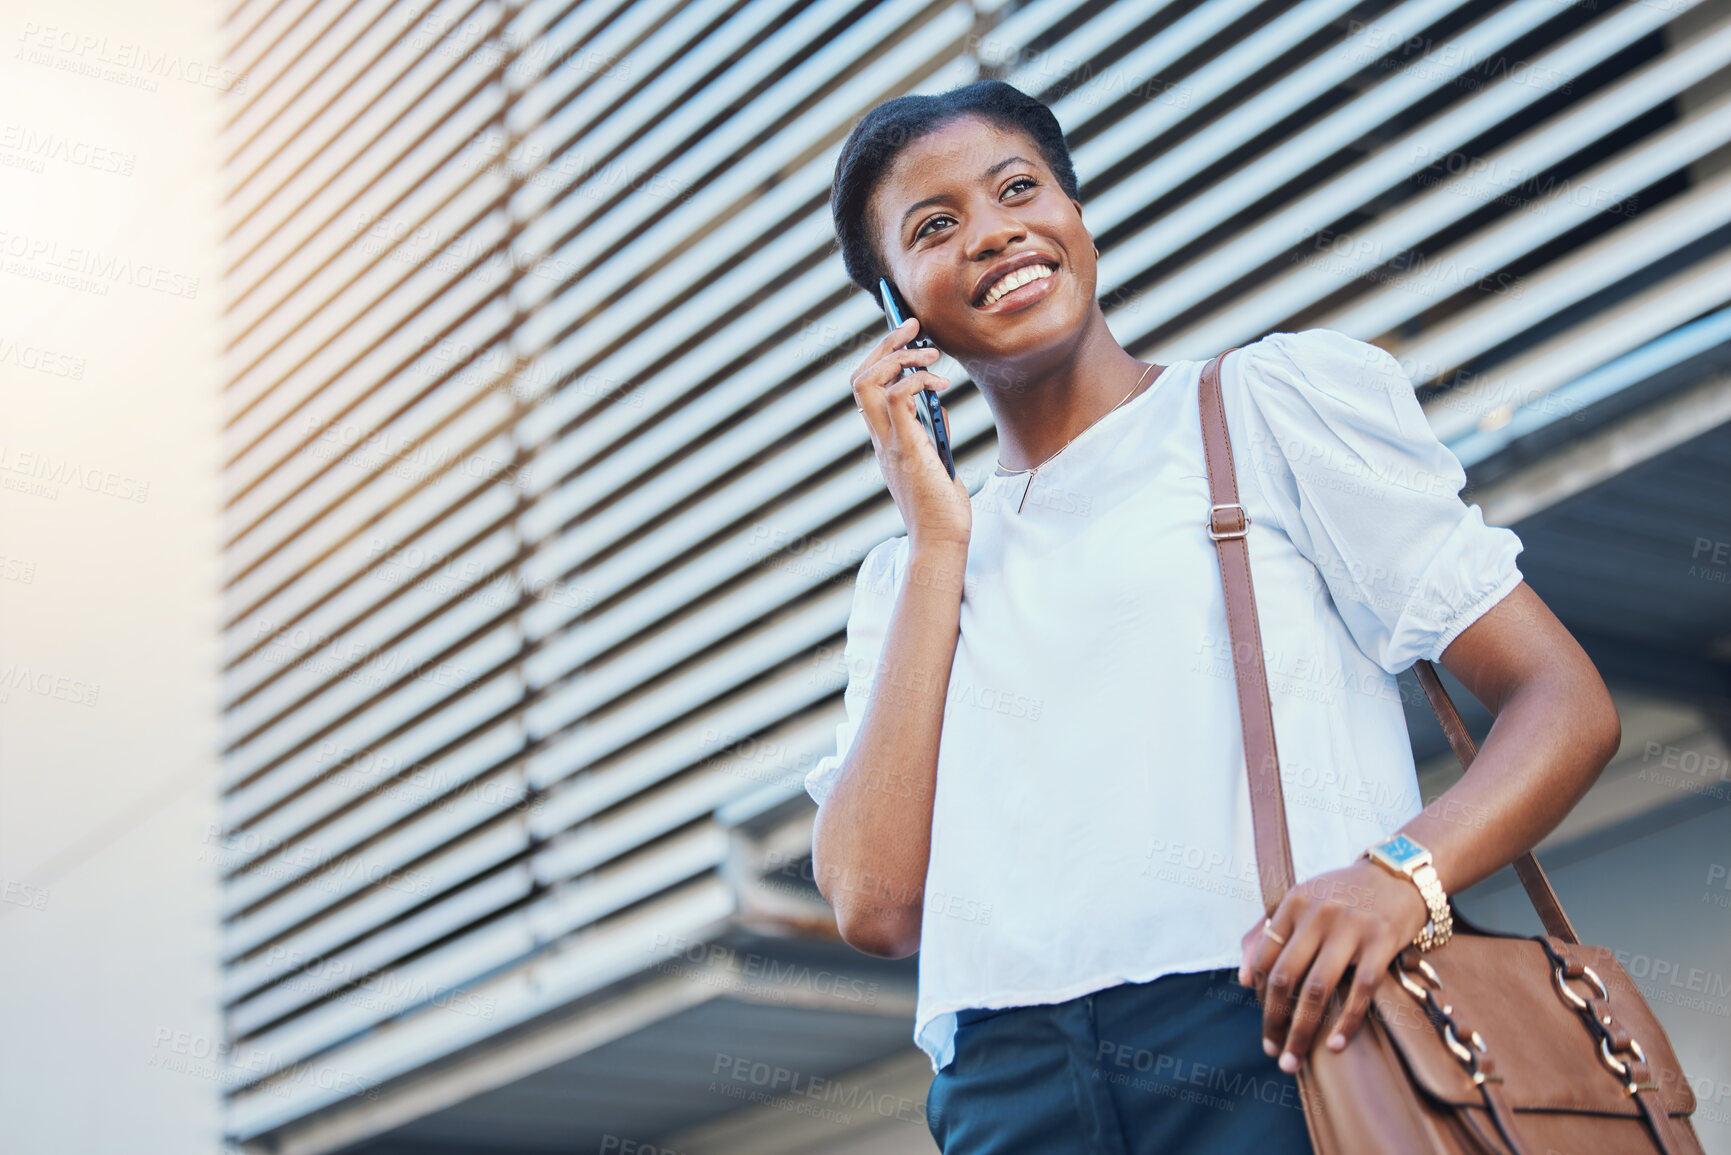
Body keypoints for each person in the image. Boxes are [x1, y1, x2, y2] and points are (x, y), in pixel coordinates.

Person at [804, 79, 1620, 1154]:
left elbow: (1562, 700)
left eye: (1019, 189)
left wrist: (1400, 879)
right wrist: (941, 542)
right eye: (935, 226)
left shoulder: (1262, 409)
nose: (995, 233)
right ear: (894, 310)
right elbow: (873, 904)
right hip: (1006, 1091)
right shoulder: (908, 575)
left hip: (1282, 1027)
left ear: (1076, 213)